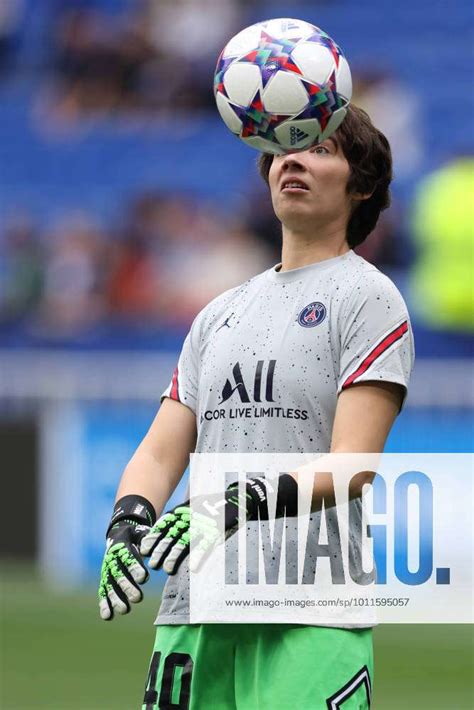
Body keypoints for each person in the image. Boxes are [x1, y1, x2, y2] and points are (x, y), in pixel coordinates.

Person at [98, 104, 414, 709]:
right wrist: (126, 523)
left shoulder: (369, 297)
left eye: (320, 148)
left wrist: (232, 504)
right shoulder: (218, 312)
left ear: (363, 184)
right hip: (197, 603)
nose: (293, 158)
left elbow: (353, 463)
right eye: (283, 149)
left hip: (310, 609)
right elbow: (160, 451)